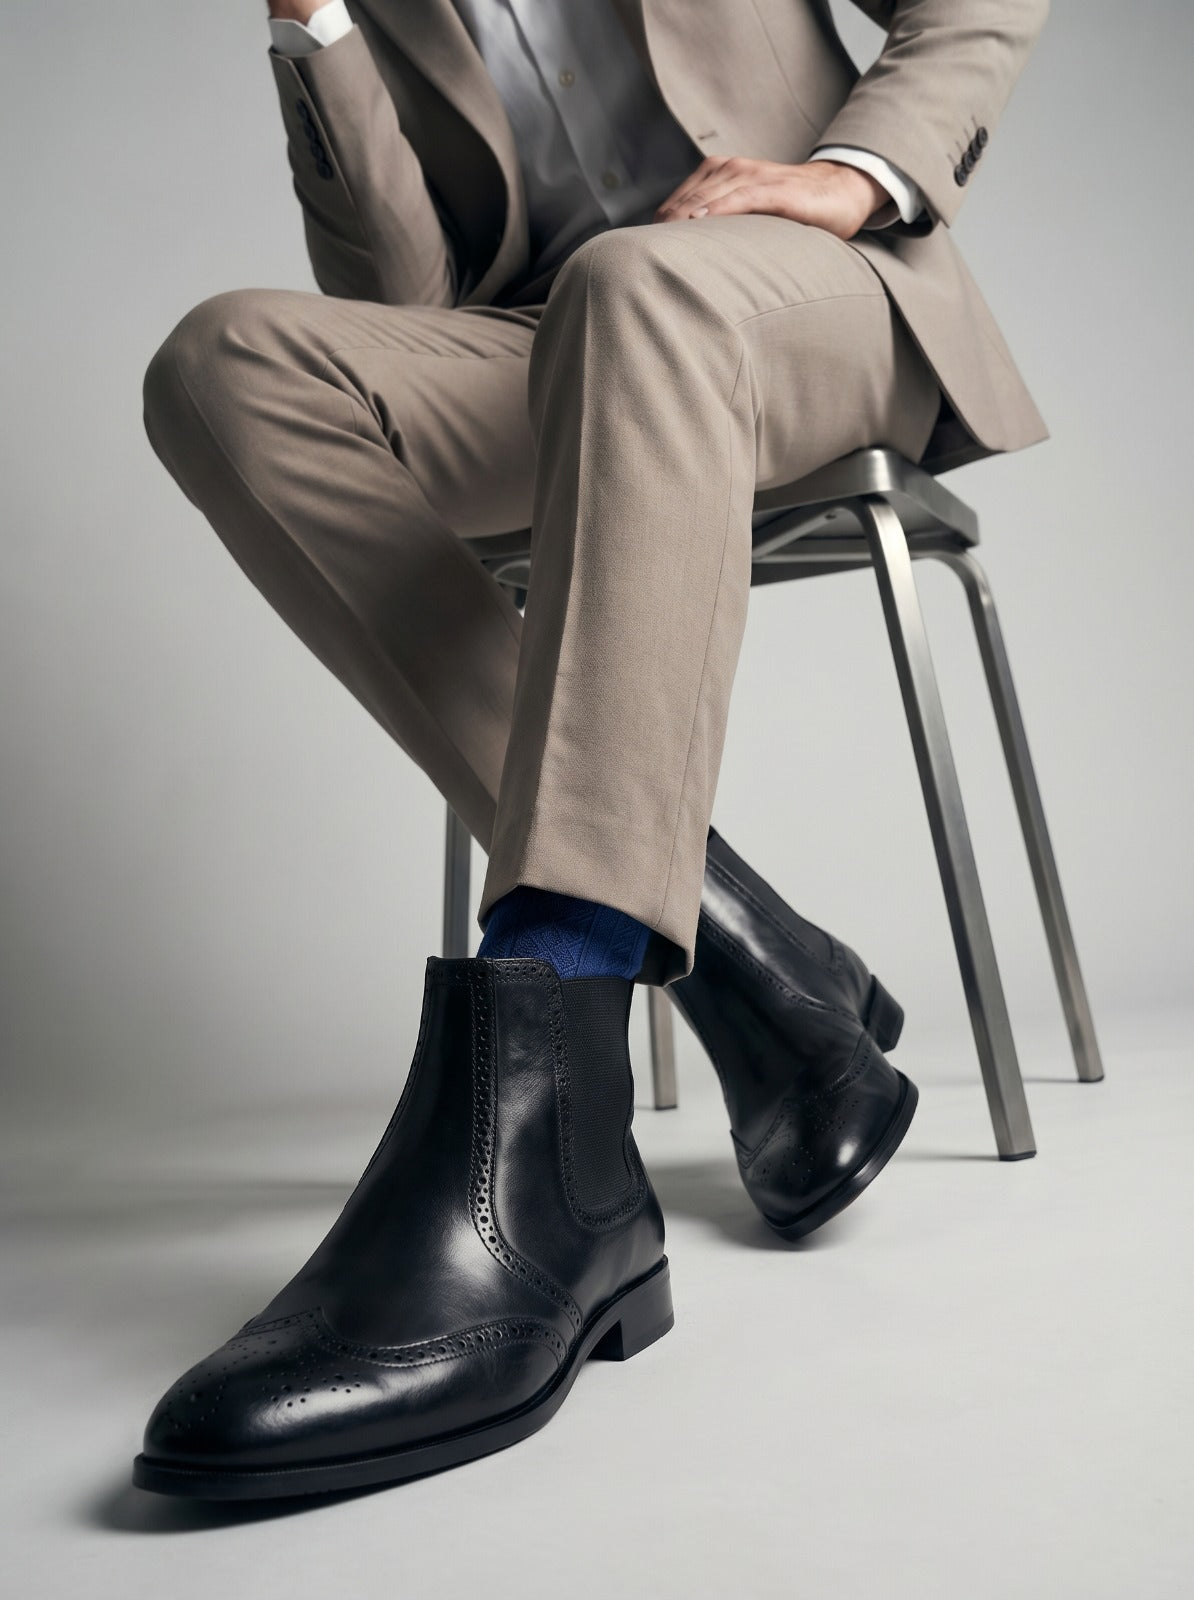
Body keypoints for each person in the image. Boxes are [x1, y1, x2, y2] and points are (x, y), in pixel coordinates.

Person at [131, 0, 1049, 1500]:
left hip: (808, 302)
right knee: (221, 365)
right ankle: (753, 963)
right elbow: (405, 297)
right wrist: (315, 29)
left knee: (640, 280)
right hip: (549, 348)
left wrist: (855, 172)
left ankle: (556, 1110)